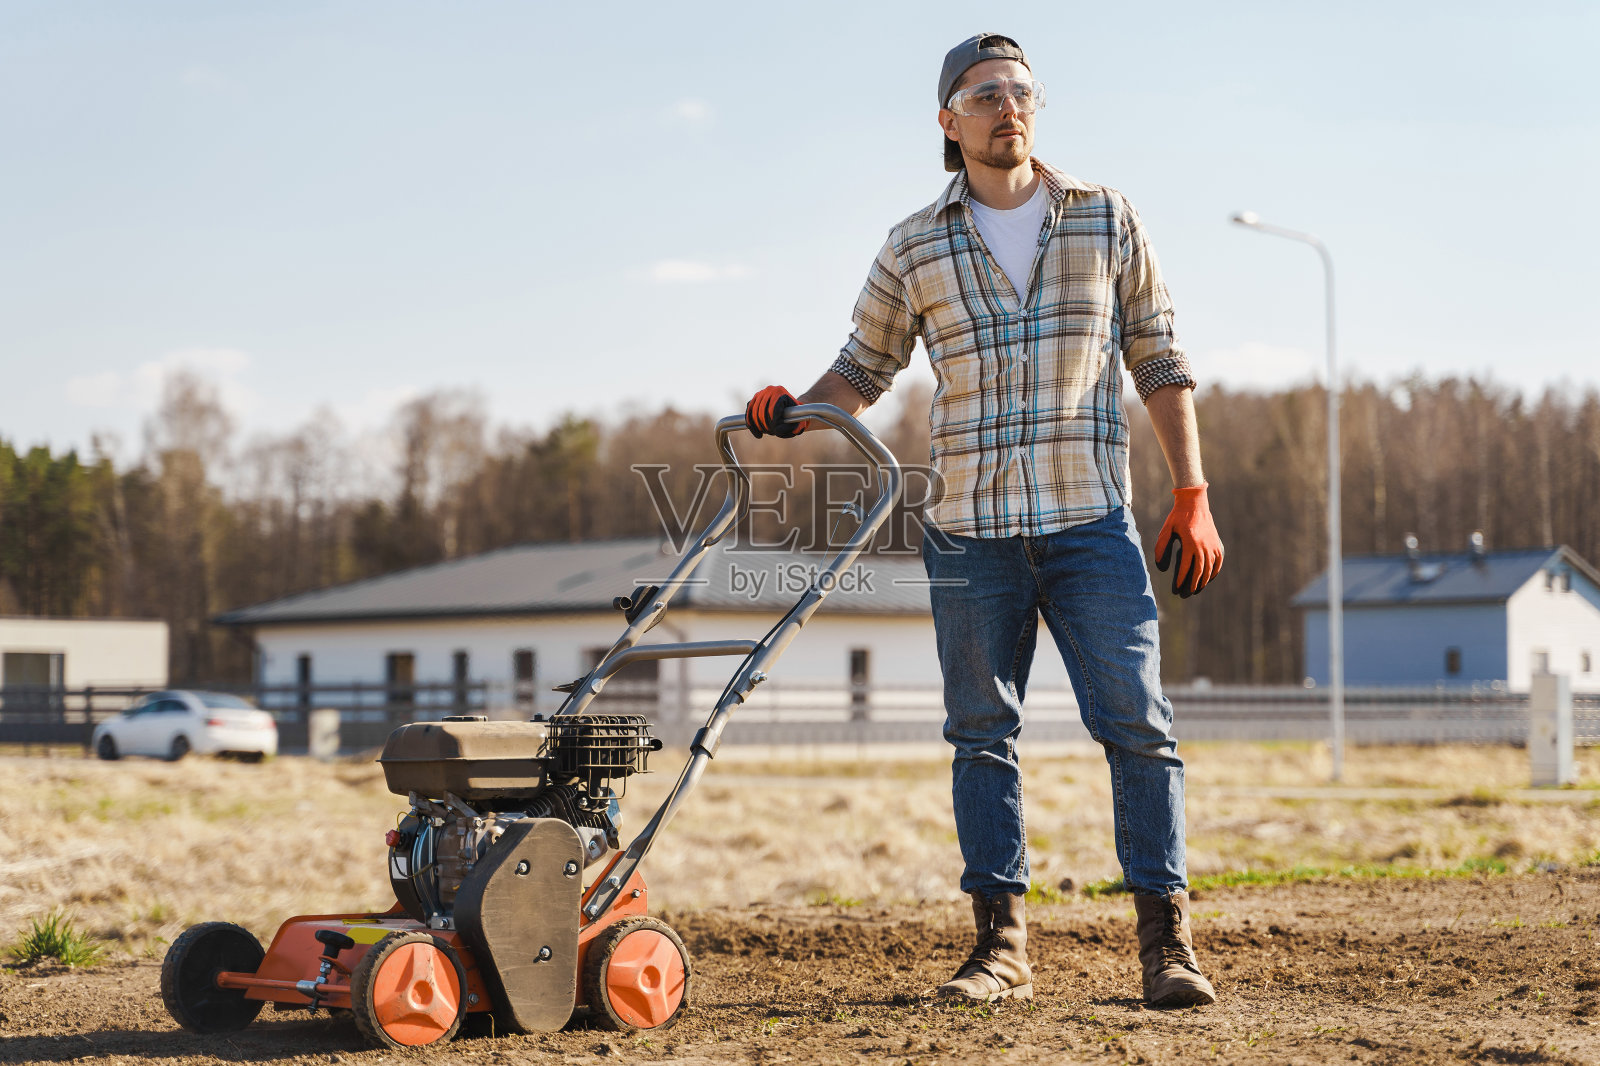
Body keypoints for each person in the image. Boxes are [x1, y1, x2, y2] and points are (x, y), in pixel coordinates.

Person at [745, 32, 1224, 1007]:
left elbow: (1160, 360)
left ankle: (1166, 946)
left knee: (1137, 725)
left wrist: (1191, 492)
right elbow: (863, 369)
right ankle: (999, 948)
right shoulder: (914, 243)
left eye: (1021, 88)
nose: (1008, 104)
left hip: (1090, 521)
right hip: (969, 529)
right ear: (947, 121)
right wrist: (795, 408)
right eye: (984, 92)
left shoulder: (1104, 217)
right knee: (980, 733)